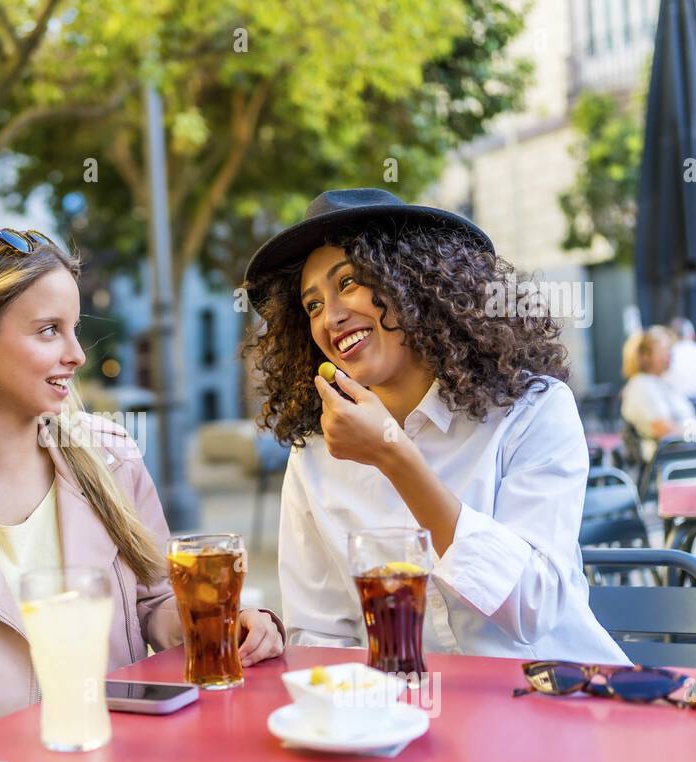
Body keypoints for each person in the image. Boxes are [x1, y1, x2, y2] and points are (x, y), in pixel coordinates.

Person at [0, 228, 286, 760]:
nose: (76, 355)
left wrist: (226, 625)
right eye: (49, 331)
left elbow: (156, 601)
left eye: (73, 330)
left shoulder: (111, 459)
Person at [242, 188, 627, 664]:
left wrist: (393, 456)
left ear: (415, 283)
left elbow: (535, 606)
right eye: (313, 305)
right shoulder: (315, 455)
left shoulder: (532, 409)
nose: (332, 317)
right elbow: (322, 636)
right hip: (402, 721)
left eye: (348, 283)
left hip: (555, 698)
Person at [621, 325, 696, 462]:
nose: (670, 354)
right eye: (665, 350)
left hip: (684, 453)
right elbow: (665, 431)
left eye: (670, 349)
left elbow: (683, 424)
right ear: (646, 356)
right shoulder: (641, 386)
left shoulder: (662, 384)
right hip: (669, 460)